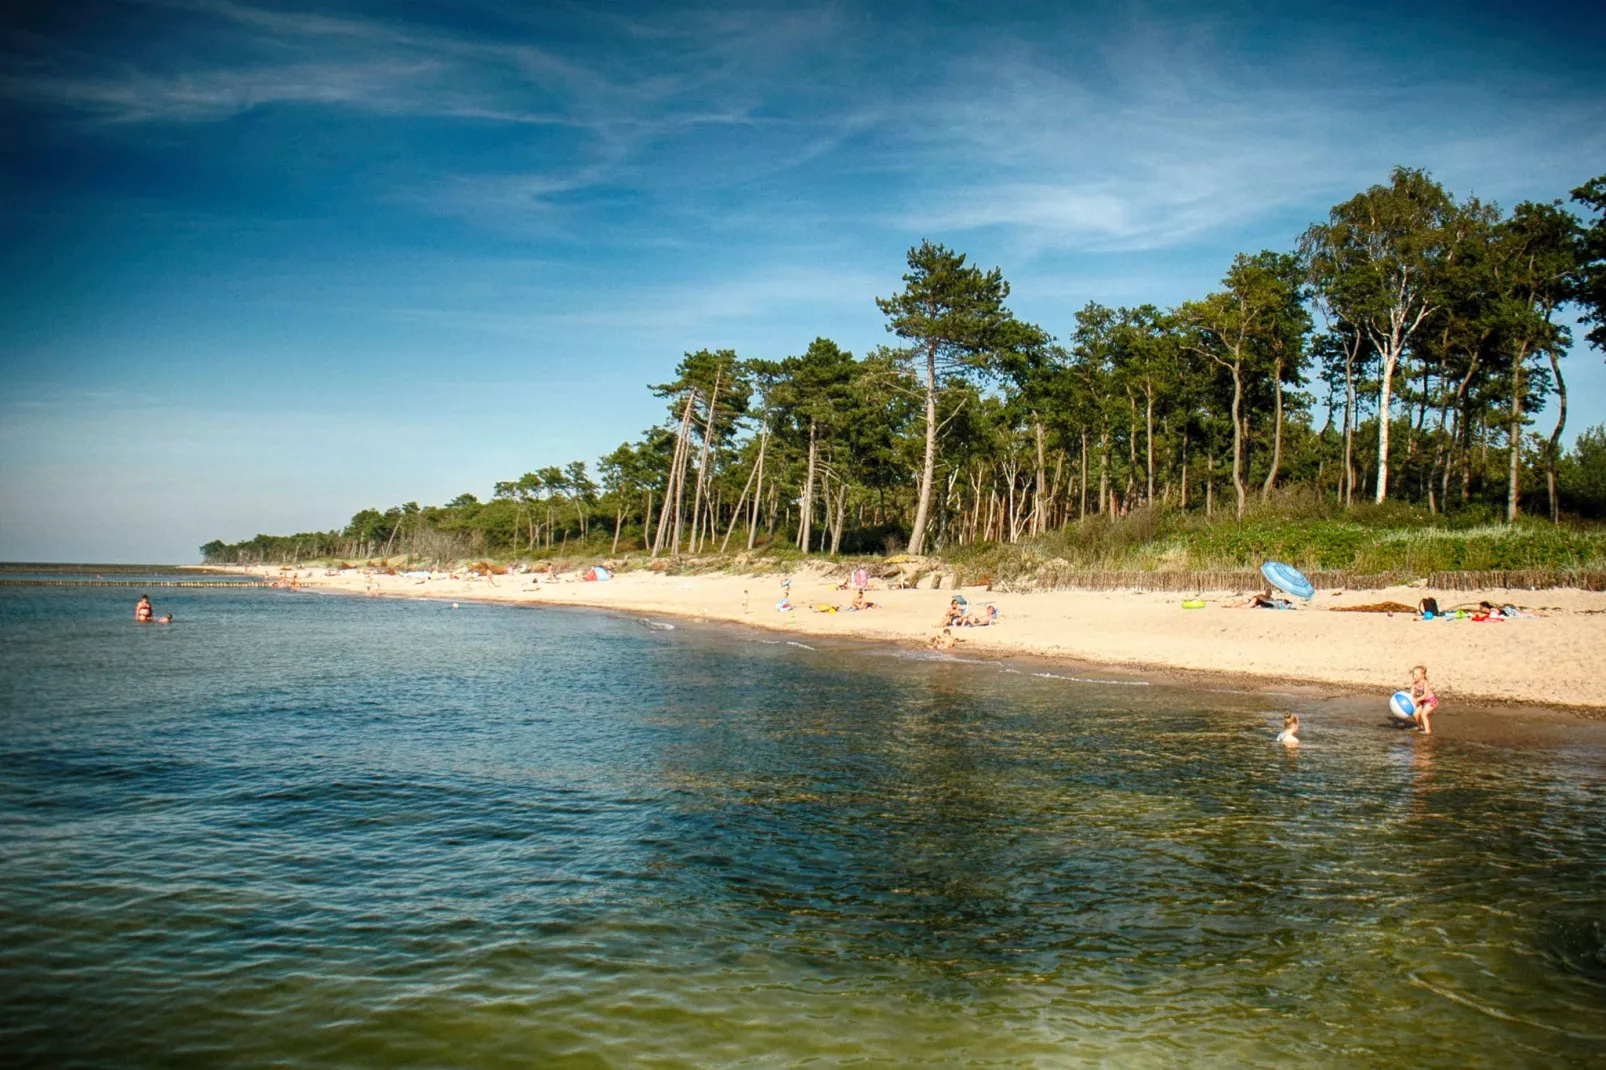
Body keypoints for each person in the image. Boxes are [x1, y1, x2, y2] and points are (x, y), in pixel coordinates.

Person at [1409, 664, 1439, 735]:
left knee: (1423, 714)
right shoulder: (1414, 684)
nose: (1414, 676)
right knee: (1415, 714)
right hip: (1422, 702)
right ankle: (1419, 726)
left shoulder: (1425, 683)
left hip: (1431, 701)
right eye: (1413, 674)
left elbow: (1425, 695)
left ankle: (1427, 731)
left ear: (1422, 676)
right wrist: (1412, 699)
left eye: (1416, 675)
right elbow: (1411, 694)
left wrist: (1417, 699)